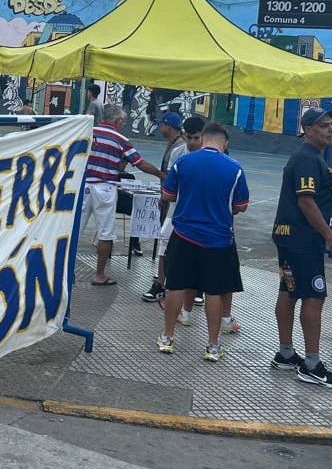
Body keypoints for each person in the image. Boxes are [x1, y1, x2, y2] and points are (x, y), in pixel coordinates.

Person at [156, 123, 249, 361]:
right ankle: (213, 345)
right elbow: (240, 206)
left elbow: (168, 194)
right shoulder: (235, 168)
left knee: (175, 286)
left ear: (203, 139)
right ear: (225, 143)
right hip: (218, 241)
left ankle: (167, 338)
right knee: (214, 292)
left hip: (184, 235)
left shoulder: (183, 163)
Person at [271, 107, 332, 388]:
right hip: (303, 241)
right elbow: (306, 202)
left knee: (288, 290)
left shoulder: (311, 159)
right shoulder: (307, 159)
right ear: (308, 129)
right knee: (314, 296)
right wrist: (331, 237)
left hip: (288, 236)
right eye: (324, 125)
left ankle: (286, 352)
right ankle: (312, 365)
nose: (330, 130)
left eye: (331, 125)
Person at [84, 104, 164, 286]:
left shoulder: (88, 131)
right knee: (106, 233)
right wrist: (160, 174)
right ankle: (99, 275)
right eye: (124, 121)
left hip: (84, 186)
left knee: (73, 228)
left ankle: (63, 271)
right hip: (105, 188)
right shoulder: (121, 139)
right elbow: (140, 163)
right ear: (118, 121)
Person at [141, 112, 192, 303]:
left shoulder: (179, 149)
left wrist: (165, 197)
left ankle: (190, 288)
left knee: (174, 244)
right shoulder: (177, 149)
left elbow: (171, 179)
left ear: (167, 126)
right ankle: (162, 283)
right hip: (173, 204)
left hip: (180, 206)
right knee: (164, 242)